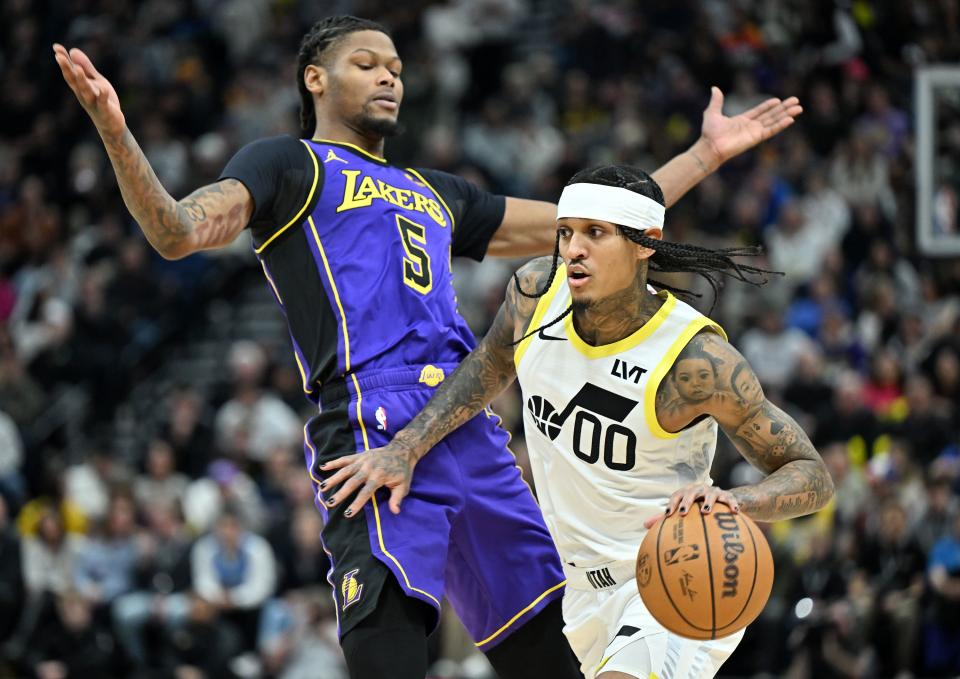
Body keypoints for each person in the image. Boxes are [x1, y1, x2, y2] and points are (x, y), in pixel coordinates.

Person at [53, 14, 802, 678]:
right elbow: (178, 230)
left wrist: (706, 155)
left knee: (550, 653)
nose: (390, 76)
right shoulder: (289, 165)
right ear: (315, 78)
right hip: (372, 420)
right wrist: (117, 131)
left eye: (398, 69)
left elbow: (600, 225)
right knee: (390, 650)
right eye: (368, 63)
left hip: (464, 419)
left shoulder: (436, 189)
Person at [322, 166, 834, 679]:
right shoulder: (535, 293)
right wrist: (405, 448)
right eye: (565, 231)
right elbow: (484, 369)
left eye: (596, 233)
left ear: (645, 243)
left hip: (674, 575)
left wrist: (737, 502)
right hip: (580, 594)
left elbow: (813, 474)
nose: (572, 248)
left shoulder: (697, 362)